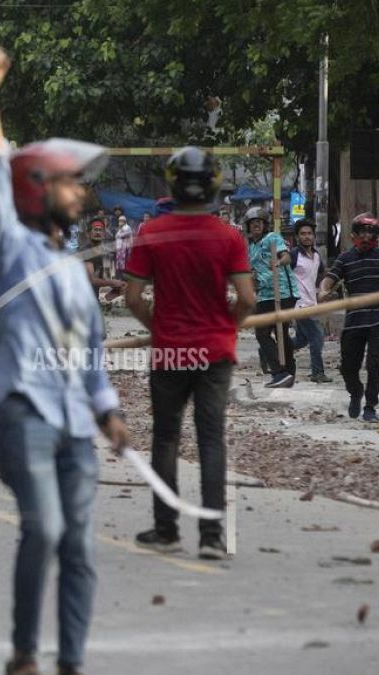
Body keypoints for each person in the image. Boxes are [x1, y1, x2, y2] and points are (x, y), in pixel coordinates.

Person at [0, 43, 130, 675]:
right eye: (68, 180)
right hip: (24, 412)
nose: (79, 192)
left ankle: (70, 662)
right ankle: (22, 652)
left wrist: (109, 410)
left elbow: (89, 357)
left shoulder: (75, 272)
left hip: (74, 425)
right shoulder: (7, 245)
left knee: (80, 547)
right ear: (37, 189)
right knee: (42, 528)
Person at [125, 147, 256, 561]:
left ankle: (166, 530)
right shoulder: (229, 235)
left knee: (165, 438)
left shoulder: (152, 233)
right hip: (215, 352)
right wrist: (227, 328)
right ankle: (212, 536)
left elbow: (132, 297)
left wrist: (157, 326)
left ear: (172, 183)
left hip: (171, 352)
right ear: (214, 183)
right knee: (211, 440)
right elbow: (248, 298)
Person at [319, 213, 379, 422]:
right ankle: (356, 392)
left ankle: (370, 406)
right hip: (354, 320)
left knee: (375, 363)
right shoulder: (345, 258)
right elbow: (328, 280)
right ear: (354, 235)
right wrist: (323, 292)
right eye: (363, 232)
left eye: (371, 232)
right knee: (348, 366)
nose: (367, 236)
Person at [246, 207, 299, 388]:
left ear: (265, 225)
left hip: (282, 292)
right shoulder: (251, 247)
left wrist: (277, 262)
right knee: (269, 333)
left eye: (259, 223)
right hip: (265, 294)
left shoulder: (273, 238)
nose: (256, 226)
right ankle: (286, 372)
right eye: (253, 224)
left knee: (274, 332)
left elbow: (287, 257)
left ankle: (281, 372)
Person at [290, 219, 330, 383]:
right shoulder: (293, 255)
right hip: (299, 304)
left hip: (312, 303)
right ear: (297, 237)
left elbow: (321, 276)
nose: (306, 237)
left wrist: (323, 290)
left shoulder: (317, 256)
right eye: (303, 234)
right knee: (317, 336)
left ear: (314, 236)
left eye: (309, 234)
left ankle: (268, 351)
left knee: (301, 340)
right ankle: (318, 372)